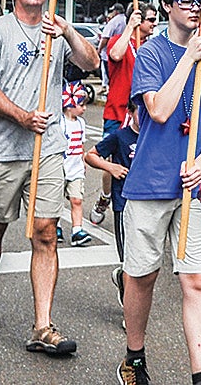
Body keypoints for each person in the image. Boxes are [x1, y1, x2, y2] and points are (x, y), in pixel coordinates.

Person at [0, 0, 99, 352]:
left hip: (47, 150)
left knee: (45, 233)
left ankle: (43, 325)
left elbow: (91, 63)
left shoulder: (56, 32)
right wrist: (22, 117)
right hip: (2, 150)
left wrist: (69, 31)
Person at [116, 0, 201, 385]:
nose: (195, 8)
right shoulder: (151, 53)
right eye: (186, 0)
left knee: (197, 280)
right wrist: (189, 58)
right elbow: (158, 109)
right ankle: (135, 357)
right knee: (141, 277)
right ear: (167, 6)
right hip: (149, 183)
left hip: (193, 184)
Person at [100, 3, 155, 221]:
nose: (153, 23)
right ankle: (105, 196)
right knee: (111, 160)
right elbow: (114, 54)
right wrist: (129, 27)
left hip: (141, 113)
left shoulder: (150, 47)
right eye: (149, 19)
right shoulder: (120, 40)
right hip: (118, 110)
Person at [86, 101, 139, 304]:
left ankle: (126, 284)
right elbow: (90, 156)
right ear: (130, 112)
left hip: (148, 203)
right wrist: (111, 167)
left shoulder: (154, 136)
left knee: (143, 261)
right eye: (140, 112)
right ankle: (129, 307)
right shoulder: (120, 136)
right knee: (128, 260)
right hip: (123, 204)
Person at [61, 81, 93, 245]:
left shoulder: (81, 123)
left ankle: (77, 230)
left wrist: (83, 160)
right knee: (57, 199)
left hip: (75, 167)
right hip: (61, 166)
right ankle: (56, 226)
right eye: (81, 105)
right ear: (69, 104)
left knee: (77, 199)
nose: (84, 108)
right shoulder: (60, 122)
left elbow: (81, 144)